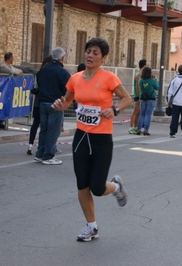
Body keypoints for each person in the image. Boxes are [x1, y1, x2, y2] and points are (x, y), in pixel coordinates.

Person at [51, 37, 132, 242]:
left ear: (103, 58)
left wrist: (113, 109)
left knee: (97, 187)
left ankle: (115, 187)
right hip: (81, 137)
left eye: (96, 53)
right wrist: (61, 105)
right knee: (82, 185)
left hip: (102, 139)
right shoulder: (75, 78)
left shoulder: (109, 78)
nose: (90, 55)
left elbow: (126, 98)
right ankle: (92, 227)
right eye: (88, 51)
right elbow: (68, 100)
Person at [34, 47, 70, 165]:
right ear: (62, 58)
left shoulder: (44, 69)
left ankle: (40, 153)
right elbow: (67, 89)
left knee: (44, 129)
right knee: (53, 131)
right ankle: (48, 156)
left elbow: (39, 82)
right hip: (56, 103)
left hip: (42, 103)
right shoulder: (62, 72)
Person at [27, 55, 53, 155]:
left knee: (35, 124)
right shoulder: (49, 75)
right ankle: (44, 148)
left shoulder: (39, 73)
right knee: (45, 126)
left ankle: (30, 144)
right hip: (45, 102)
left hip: (38, 102)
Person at [136, 66, 159, 135]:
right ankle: (146, 129)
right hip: (151, 98)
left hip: (143, 98)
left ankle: (139, 129)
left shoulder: (141, 80)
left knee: (142, 114)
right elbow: (157, 87)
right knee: (148, 114)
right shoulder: (152, 81)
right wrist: (155, 79)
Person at [129, 59, 146, 134]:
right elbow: (137, 86)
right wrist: (139, 96)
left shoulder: (140, 73)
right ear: (144, 65)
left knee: (138, 112)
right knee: (135, 111)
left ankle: (135, 127)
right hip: (137, 95)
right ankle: (131, 127)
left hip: (139, 95)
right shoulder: (138, 74)